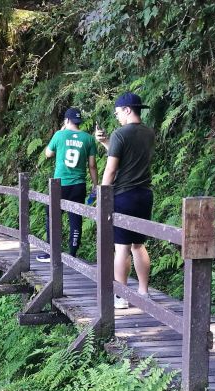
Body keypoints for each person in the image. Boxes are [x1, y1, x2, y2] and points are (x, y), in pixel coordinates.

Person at [96, 91, 155, 309]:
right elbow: (130, 158)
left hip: (123, 195)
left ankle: (120, 297)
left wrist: (102, 193)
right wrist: (106, 143)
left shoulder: (120, 134)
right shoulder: (149, 133)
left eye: (118, 112)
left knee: (121, 247)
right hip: (144, 195)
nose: (117, 116)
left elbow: (111, 170)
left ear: (127, 110)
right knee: (138, 245)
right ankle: (143, 292)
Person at [39, 107, 98, 263]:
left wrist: (61, 131)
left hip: (60, 184)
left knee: (52, 215)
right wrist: (95, 185)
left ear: (66, 120)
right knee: (75, 216)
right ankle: (72, 254)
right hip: (79, 184)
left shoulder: (59, 135)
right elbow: (92, 165)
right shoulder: (89, 139)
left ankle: (51, 252)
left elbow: (48, 154)